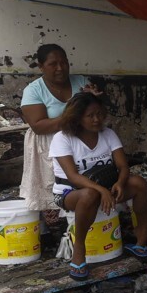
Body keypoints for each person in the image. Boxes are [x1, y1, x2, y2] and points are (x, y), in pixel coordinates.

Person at [50, 92, 147, 280]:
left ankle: (141, 241)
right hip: (69, 193)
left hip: (106, 187)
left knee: (139, 183)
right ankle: (79, 249)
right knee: (89, 194)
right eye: (90, 116)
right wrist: (101, 190)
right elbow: (72, 176)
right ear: (77, 117)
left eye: (99, 114)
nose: (96, 119)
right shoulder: (62, 138)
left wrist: (120, 183)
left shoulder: (108, 134)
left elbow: (122, 166)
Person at [19, 44, 96, 217]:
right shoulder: (33, 90)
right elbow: (38, 126)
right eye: (53, 64)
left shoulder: (81, 81)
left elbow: (94, 111)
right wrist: (75, 115)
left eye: (64, 63)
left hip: (80, 139)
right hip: (49, 142)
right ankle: (47, 226)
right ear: (41, 67)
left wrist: (95, 98)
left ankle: (82, 216)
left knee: (84, 180)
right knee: (52, 187)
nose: (60, 68)